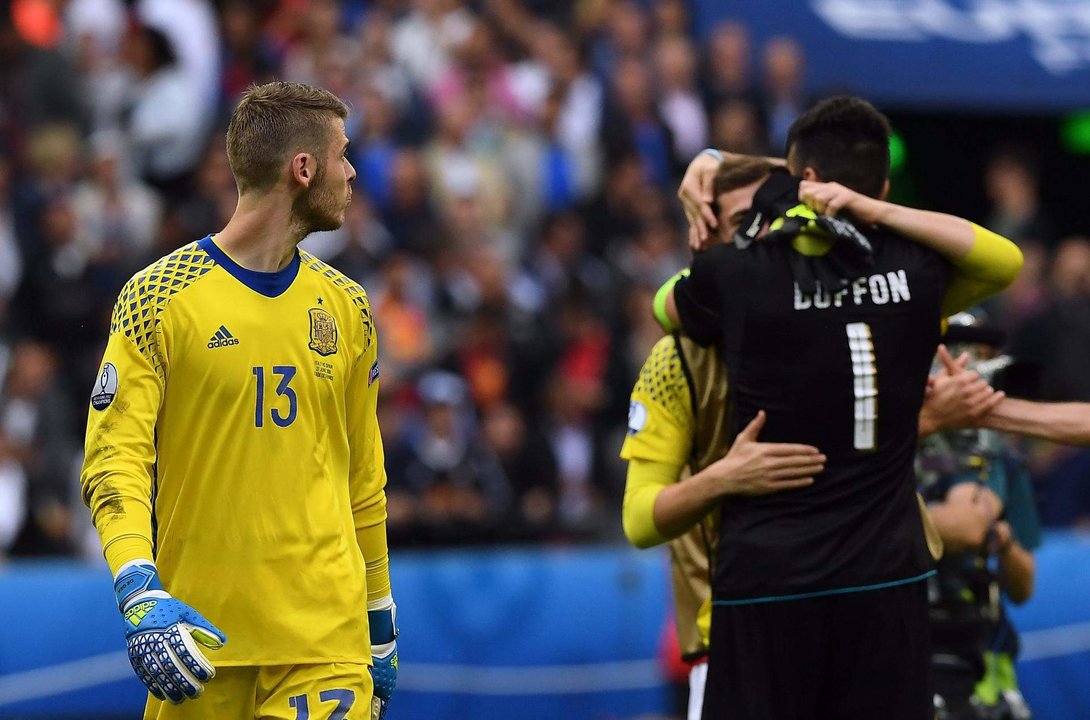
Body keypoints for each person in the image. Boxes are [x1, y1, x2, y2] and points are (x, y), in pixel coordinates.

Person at [660, 97, 1022, 720]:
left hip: (769, 578)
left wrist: (723, 163)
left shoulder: (740, 275)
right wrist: (871, 208)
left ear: (802, 180)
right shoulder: (918, 270)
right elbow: (1003, 259)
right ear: (880, 186)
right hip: (884, 576)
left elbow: (666, 306)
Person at [80, 82, 398, 720]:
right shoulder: (158, 299)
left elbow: (363, 475)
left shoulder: (348, 307)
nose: (354, 171)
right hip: (199, 642)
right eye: (343, 154)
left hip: (325, 643)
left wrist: (378, 609)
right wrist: (138, 588)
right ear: (302, 170)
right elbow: (113, 461)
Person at [920, 315, 1039, 720]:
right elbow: (968, 528)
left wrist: (1002, 540)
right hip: (910, 648)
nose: (971, 371)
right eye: (954, 355)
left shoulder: (1001, 456)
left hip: (981, 653)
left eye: (984, 359)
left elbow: (1023, 587)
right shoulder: (890, 442)